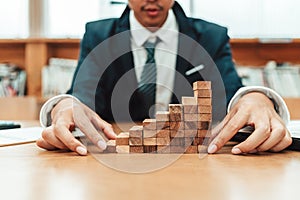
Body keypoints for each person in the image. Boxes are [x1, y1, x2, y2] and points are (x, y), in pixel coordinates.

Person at [37, 0, 292, 156]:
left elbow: (233, 96)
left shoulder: (211, 37)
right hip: (117, 160)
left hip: (195, 164)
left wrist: (257, 97)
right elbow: (81, 97)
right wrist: (62, 106)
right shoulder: (98, 35)